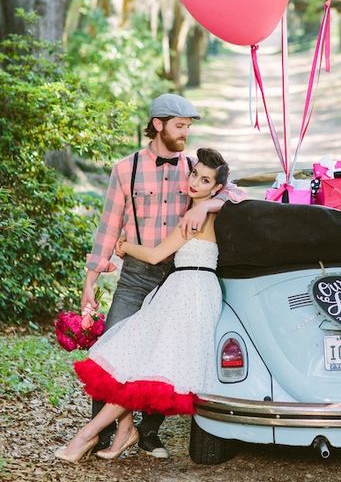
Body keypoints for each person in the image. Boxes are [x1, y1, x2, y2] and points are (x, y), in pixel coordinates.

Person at [81, 93, 244, 458]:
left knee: (166, 352)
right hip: (137, 273)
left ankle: (148, 430)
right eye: (180, 126)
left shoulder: (194, 168)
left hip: (176, 274)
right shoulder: (126, 169)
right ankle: (103, 434)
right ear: (159, 125)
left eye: (189, 127)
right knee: (113, 345)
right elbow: (109, 227)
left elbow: (233, 192)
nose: (186, 133)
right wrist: (90, 281)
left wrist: (213, 204)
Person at [55, 147, 229, 463]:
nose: (195, 182)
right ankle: (123, 431)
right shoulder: (199, 210)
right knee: (129, 357)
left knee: (141, 368)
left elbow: (154, 255)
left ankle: (87, 435)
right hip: (183, 290)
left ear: (216, 188)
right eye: (194, 174)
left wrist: (124, 246)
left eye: (205, 181)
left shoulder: (198, 218)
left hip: (190, 296)